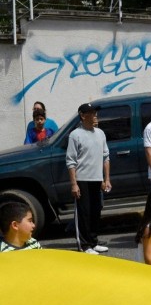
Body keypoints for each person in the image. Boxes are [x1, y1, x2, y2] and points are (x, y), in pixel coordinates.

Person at [65, 102, 111, 255]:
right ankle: (84, 245)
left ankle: (93, 241)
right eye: (92, 113)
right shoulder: (75, 135)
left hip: (97, 179)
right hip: (82, 180)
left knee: (95, 211)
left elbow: (106, 157)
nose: (95, 116)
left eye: (96, 113)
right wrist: (74, 184)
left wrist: (106, 179)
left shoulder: (100, 133)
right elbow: (70, 161)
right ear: (83, 116)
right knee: (84, 213)